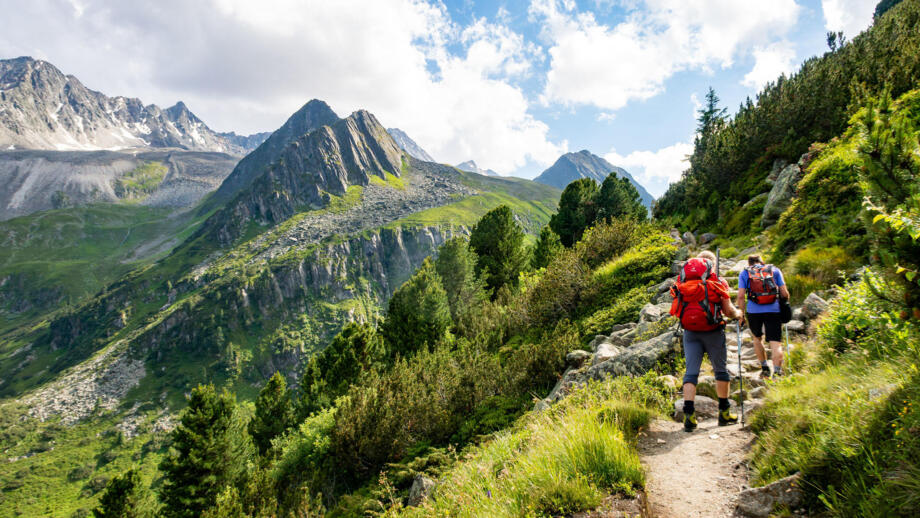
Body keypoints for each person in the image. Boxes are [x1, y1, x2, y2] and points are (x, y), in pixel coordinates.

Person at [670, 253, 743, 432]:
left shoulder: (682, 283)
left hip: (690, 333)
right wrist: (739, 314)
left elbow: (677, 308)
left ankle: (689, 416)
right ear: (712, 265)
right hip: (713, 332)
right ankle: (724, 413)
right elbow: (728, 311)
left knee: (691, 372)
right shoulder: (718, 283)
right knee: (720, 370)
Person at [736, 254, 790, 379]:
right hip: (773, 310)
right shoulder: (774, 270)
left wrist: (741, 315)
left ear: (749, 264)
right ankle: (777, 372)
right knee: (775, 342)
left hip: (753, 311)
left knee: (757, 339)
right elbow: (784, 293)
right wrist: (785, 306)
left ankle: (764, 368)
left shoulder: (745, 273)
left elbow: (740, 296)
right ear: (762, 262)